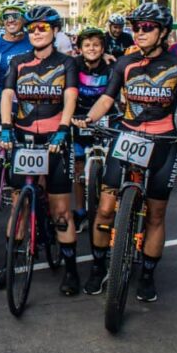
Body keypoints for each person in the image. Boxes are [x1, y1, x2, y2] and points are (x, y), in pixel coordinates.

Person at [74, 3, 177, 301]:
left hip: (162, 140)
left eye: (147, 28)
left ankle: (148, 276)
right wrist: (89, 119)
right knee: (104, 208)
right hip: (127, 136)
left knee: (155, 214)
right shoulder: (124, 63)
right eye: (136, 27)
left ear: (163, 32)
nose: (139, 33)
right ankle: (99, 267)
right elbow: (107, 98)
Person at [0, 6, 79, 294]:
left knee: (60, 211)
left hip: (55, 141)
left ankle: (71, 270)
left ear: (55, 31)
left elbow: (70, 97)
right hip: (24, 137)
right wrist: (6, 126)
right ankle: (9, 264)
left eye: (43, 28)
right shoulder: (18, 61)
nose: (37, 33)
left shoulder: (66, 62)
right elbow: (7, 94)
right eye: (32, 28)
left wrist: (64, 128)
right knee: (19, 202)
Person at [70, 27, 113, 233]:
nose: (92, 49)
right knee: (78, 168)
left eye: (96, 45)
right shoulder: (72, 64)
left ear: (103, 48)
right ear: (79, 48)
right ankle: (79, 211)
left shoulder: (111, 66)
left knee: (108, 168)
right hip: (78, 120)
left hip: (104, 119)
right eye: (87, 45)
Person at [0, 0, 33, 90]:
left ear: (24, 19)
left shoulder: (33, 41)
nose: (10, 20)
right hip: (5, 103)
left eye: (15, 16)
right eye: (6, 16)